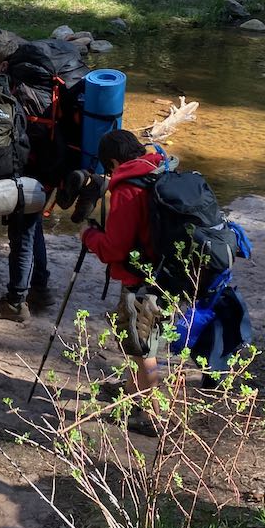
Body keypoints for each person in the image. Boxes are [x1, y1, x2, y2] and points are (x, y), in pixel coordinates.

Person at [78, 129, 166, 407]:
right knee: (128, 331)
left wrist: (88, 235)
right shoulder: (157, 169)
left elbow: (114, 248)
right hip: (165, 272)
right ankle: (131, 390)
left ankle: (151, 415)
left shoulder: (129, 187)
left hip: (141, 279)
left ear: (114, 162)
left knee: (143, 348)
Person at [0, 31, 53, 322]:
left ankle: (15, 301)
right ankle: (41, 287)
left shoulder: (13, 93)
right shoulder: (36, 88)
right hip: (45, 167)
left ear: (4, 66)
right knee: (33, 228)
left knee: (21, 234)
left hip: (27, 169)